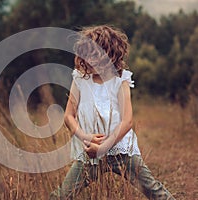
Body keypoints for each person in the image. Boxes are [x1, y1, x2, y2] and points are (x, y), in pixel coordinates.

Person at [50, 25, 175, 200]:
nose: (89, 62)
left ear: (110, 56)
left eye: (95, 57)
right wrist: (85, 137)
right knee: (63, 195)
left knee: (154, 190)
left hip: (121, 151)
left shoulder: (120, 79)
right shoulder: (79, 78)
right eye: (87, 56)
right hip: (90, 154)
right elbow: (68, 116)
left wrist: (104, 147)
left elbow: (127, 121)